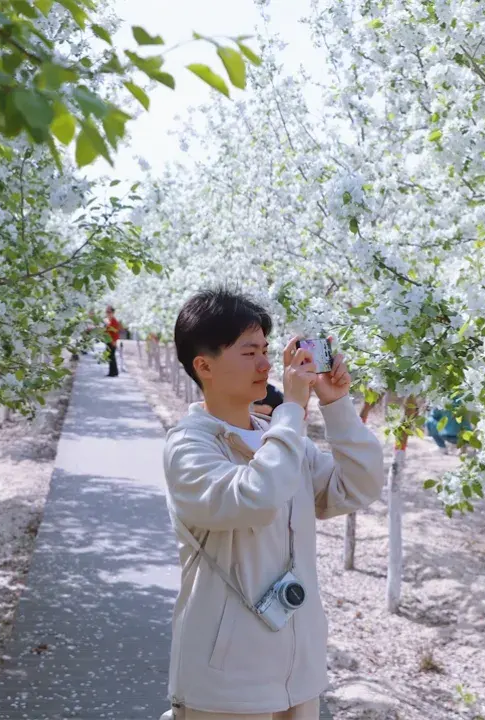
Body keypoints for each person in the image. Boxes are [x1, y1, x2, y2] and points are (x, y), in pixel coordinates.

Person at [162, 288, 385, 720]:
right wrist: (293, 413)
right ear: (203, 365)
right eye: (249, 353)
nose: (267, 364)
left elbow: (358, 487)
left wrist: (336, 405)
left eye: (266, 349)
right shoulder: (189, 447)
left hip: (298, 675)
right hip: (226, 685)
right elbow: (255, 498)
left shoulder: (281, 440)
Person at [104, 305, 122, 377]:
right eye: (107, 312)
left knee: (111, 357)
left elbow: (116, 332)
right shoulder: (109, 320)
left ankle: (113, 372)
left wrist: (114, 341)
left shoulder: (114, 321)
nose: (107, 313)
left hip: (112, 341)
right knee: (110, 357)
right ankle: (113, 372)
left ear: (112, 312)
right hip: (108, 341)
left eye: (109, 312)